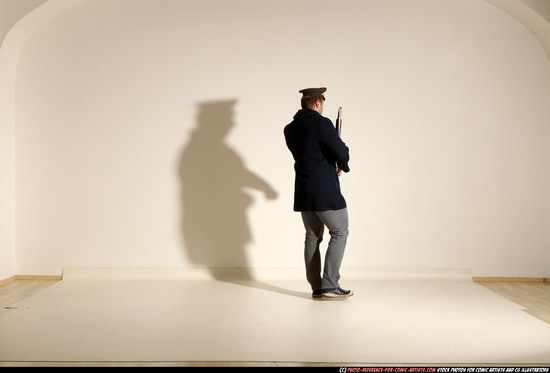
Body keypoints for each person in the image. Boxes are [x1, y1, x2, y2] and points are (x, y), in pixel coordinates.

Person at [283, 87, 353, 299]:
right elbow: (340, 150)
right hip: (324, 188)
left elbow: (311, 151)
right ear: (317, 103)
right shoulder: (322, 123)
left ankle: (317, 287)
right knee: (340, 231)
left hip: (304, 189)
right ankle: (330, 285)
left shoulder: (290, 128)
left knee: (312, 236)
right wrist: (342, 162)